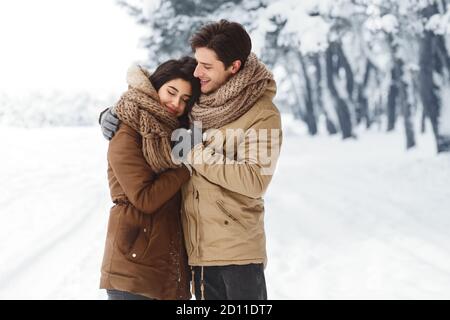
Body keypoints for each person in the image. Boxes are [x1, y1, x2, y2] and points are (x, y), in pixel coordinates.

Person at [100, 20, 282, 300]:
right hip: (195, 256)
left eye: (207, 66)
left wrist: (194, 154)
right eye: (198, 63)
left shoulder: (263, 114)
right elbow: (150, 103)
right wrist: (112, 113)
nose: (198, 72)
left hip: (237, 255)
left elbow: (256, 180)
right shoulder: (198, 105)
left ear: (234, 67)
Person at [99, 57, 200, 300]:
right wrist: (187, 166)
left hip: (166, 267)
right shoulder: (126, 129)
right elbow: (144, 198)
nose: (176, 103)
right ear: (156, 85)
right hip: (134, 267)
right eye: (171, 92)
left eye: (185, 100)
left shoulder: (175, 134)